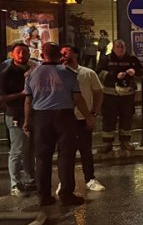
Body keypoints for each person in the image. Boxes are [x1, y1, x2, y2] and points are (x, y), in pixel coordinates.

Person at [23, 42, 95, 206]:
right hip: (64, 117)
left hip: (41, 117)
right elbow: (77, 98)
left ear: (43, 55)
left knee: (42, 157)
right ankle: (66, 194)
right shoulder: (68, 73)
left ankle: (44, 196)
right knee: (66, 156)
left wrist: (27, 121)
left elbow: (28, 101)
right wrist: (88, 116)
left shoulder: (32, 74)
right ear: (59, 56)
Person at [60, 44, 106, 193]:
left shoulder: (88, 73)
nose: (63, 55)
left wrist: (94, 112)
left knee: (86, 150)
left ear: (75, 55)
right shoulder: (58, 73)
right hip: (64, 119)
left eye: (66, 52)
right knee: (66, 152)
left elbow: (98, 92)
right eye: (61, 53)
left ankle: (90, 178)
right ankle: (65, 181)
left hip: (82, 118)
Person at [1, 43, 37, 197]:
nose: (21, 55)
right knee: (17, 150)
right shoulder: (6, 73)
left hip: (33, 114)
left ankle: (31, 180)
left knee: (29, 150)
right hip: (15, 114)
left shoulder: (33, 70)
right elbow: (1, 97)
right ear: (12, 54)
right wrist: (22, 94)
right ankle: (15, 184)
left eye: (24, 52)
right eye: (18, 52)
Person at [97, 39, 143, 153]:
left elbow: (142, 70)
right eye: (118, 47)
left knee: (127, 118)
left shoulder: (132, 59)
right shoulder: (106, 59)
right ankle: (107, 144)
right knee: (109, 119)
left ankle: (125, 142)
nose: (120, 49)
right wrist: (114, 75)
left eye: (122, 46)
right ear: (113, 48)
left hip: (127, 95)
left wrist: (135, 71)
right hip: (110, 94)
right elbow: (99, 73)